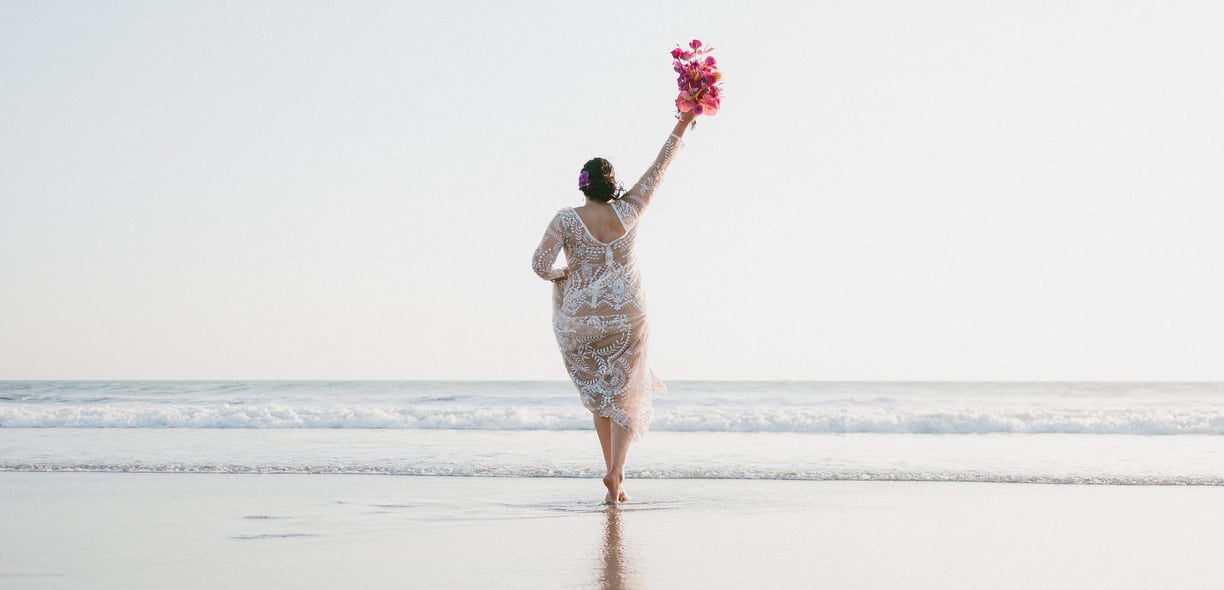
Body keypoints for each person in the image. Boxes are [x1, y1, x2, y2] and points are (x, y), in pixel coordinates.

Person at [532, 110, 697, 504]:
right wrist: (683, 122)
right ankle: (617, 475)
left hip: (581, 319)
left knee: (601, 397)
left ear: (583, 186)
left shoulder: (567, 219)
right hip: (628, 315)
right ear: (613, 185)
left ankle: (613, 478)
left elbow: (539, 266)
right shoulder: (630, 209)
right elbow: (661, 166)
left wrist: (566, 276)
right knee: (626, 393)